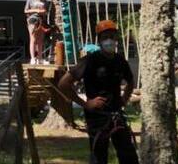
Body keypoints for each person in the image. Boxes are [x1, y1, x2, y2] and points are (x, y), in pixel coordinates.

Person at [59, 20, 138, 164]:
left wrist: (123, 99)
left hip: (117, 115)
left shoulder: (120, 61)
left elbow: (130, 82)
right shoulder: (89, 61)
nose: (109, 40)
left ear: (116, 39)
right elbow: (63, 84)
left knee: (129, 156)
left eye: (112, 36)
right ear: (100, 40)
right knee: (99, 158)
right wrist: (85, 104)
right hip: (97, 117)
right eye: (105, 37)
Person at [25, 0, 50, 64]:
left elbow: (46, 11)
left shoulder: (44, 0)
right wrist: (36, 10)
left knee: (40, 40)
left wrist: (43, 12)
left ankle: (40, 58)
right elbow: (26, 10)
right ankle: (32, 58)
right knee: (33, 39)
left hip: (41, 20)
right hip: (32, 19)